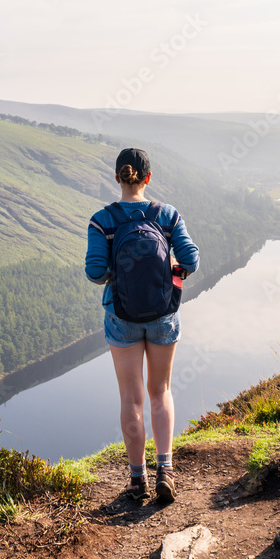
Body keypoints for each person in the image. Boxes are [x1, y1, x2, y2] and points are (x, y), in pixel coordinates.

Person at [85, 148, 200, 503]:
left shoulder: (102, 221)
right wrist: (168, 274)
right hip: (163, 314)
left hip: (121, 317)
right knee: (160, 391)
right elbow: (191, 260)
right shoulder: (167, 215)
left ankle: (138, 480)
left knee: (130, 397)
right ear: (148, 178)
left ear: (117, 177)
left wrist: (119, 274)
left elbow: (94, 272)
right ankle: (165, 469)